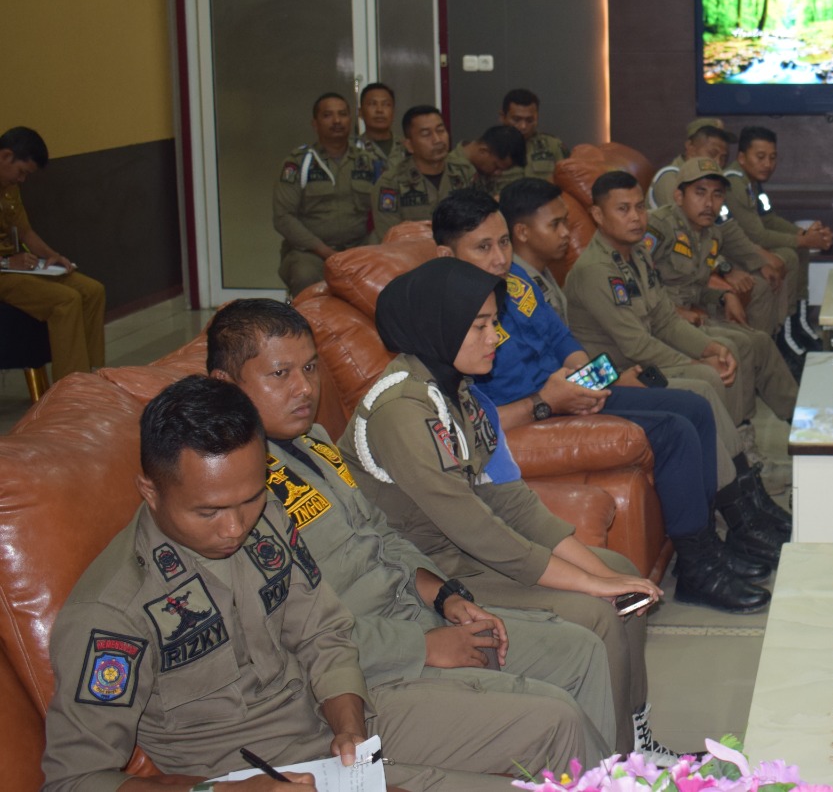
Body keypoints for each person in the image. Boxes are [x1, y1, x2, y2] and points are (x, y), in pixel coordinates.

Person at [42, 375, 527, 792]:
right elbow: (74, 780)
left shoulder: (269, 517)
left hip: (335, 721)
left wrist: (349, 725)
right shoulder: (112, 613)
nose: (235, 528)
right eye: (208, 512)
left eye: (250, 499)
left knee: (549, 725)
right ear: (150, 491)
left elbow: (323, 631)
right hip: (252, 770)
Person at [207, 299, 616, 767]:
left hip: (412, 612)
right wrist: (422, 646)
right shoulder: (233, 496)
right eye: (280, 374)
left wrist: (446, 597)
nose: (304, 388)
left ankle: (621, 775)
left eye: (311, 368)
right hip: (367, 664)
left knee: (581, 651)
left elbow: (382, 534)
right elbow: (299, 632)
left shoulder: (314, 442)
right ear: (226, 384)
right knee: (555, 716)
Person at [341, 257, 675, 758]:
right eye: (479, 326)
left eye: (494, 323)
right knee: (597, 612)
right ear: (439, 328)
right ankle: (613, 767)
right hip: (429, 571)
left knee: (621, 574)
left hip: (464, 553)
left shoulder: (459, 392)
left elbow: (511, 501)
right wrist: (590, 585)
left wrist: (602, 574)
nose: (495, 337)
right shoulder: (402, 409)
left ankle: (635, 740)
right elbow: (473, 526)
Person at [431, 187, 776, 613]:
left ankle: (710, 543)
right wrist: (546, 402)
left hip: (564, 394)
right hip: (530, 417)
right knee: (673, 430)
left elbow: (562, 339)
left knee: (693, 405)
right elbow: (467, 422)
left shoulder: (515, 282)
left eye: (503, 242)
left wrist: (586, 379)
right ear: (446, 255)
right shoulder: (447, 321)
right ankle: (697, 568)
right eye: (483, 248)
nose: (500, 258)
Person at [566, 171, 757, 432]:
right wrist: (696, 363)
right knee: (704, 378)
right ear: (598, 215)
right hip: (616, 376)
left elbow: (666, 320)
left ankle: (737, 441)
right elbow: (636, 345)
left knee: (721, 358)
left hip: (640, 365)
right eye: (623, 209)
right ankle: (731, 456)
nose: (636, 217)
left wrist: (711, 349)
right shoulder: (595, 270)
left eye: (640, 207)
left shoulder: (638, 253)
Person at [649, 158, 799, 422]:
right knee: (733, 346)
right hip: (662, 321)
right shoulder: (658, 227)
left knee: (760, 341)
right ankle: (740, 429)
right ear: (679, 196)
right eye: (700, 193)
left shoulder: (711, 235)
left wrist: (724, 295)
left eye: (717, 195)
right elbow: (639, 283)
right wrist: (674, 311)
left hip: (692, 315)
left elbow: (694, 288)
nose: (709, 203)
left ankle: (801, 421)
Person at [0, 126, 105, 377]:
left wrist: (51, 255)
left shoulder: (9, 187)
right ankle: (71, 385)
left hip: (16, 266)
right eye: (22, 172)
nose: (22, 180)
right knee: (65, 300)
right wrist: (6, 263)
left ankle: (94, 376)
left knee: (93, 290)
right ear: (5, 156)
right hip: (4, 271)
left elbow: (25, 232)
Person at [724, 126, 831, 356]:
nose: (768, 164)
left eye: (772, 158)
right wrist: (804, 240)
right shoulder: (734, 184)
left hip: (751, 247)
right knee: (790, 254)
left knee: (798, 248)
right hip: (736, 253)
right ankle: (784, 333)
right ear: (741, 157)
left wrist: (803, 236)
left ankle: (798, 323)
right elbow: (757, 235)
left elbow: (769, 219)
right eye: (760, 157)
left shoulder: (752, 182)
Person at [272, 93, 383, 297]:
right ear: (315, 123)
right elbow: (283, 217)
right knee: (304, 274)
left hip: (359, 247)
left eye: (343, 114)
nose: (337, 121)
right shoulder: (299, 162)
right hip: (311, 253)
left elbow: (386, 208)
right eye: (328, 115)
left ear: (351, 119)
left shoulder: (370, 161)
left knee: (383, 270)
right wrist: (325, 251)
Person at [371, 105, 476, 240]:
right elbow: (391, 239)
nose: (437, 139)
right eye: (426, 134)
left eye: (440, 130)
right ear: (409, 145)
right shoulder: (390, 184)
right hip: (411, 252)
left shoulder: (464, 172)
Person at [649, 117, 734, 208]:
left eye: (724, 158)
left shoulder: (717, 180)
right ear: (690, 147)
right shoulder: (670, 177)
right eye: (712, 154)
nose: (718, 162)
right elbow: (683, 215)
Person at [499, 88, 569, 182]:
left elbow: (569, 181)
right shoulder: (490, 148)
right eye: (516, 120)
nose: (523, 126)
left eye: (530, 120)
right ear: (503, 117)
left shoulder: (553, 146)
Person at [452, 123, 527, 193]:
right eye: (496, 167)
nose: (498, 173)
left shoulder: (482, 171)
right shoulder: (451, 169)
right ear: (483, 151)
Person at [358, 81, 400, 163]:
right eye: (372, 104)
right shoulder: (352, 149)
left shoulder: (408, 148)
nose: (379, 110)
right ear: (360, 112)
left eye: (386, 104)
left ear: (393, 112)